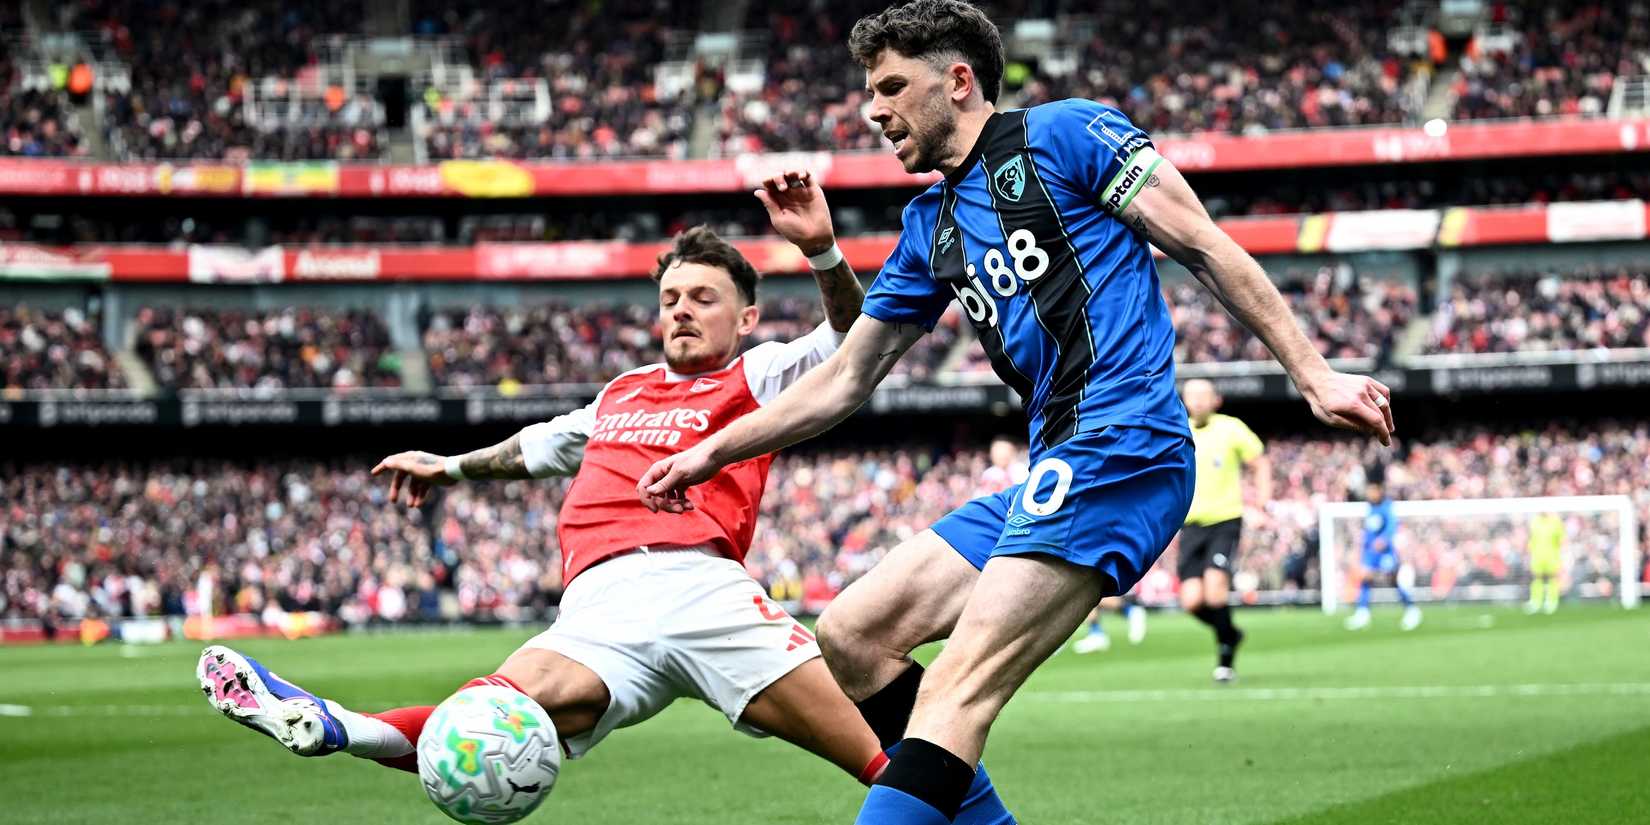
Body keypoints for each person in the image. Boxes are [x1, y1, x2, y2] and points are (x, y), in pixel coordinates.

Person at [636, 2, 1395, 822]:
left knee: (954, 695)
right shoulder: (929, 226)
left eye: (892, 87)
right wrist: (714, 448)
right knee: (852, 635)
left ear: (958, 81)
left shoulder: (1069, 134)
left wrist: (1313, 374)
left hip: (1123, 442)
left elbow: (1203, 243)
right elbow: (845, 378)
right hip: (1056, 463)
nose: (874, 110)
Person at [196, 192, 1013, 823]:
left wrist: (823, 250)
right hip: (596, 606)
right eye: (669, 298)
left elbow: (851, 347)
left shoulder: (760, 371)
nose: (680, 310)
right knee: (476, 723)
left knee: (883, 756)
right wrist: (447, 467)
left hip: (703, 590)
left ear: (747, 316)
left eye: (701, 296)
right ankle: (337, 725)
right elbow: (528, 449)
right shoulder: (617, 395)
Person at [1173, 378, 1270, 682]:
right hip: (1190, 524)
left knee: (1215, 591)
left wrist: (1262, 503)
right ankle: (1230, 632)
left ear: (1216, 399)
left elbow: (1260, 462)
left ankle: (1225, 661)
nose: (1198, 401)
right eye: (1191, 396)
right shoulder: (1178, 429)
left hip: (1225, 520)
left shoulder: (1231, 428)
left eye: (1203, 395)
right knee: (1191, 601)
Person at [1345, 478, 1422, 631]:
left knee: (1392, 580)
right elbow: (1369, 529)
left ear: (1379, 491)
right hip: (1370, 552)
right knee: (1365, 579)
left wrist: (1384, 540)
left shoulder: (1387, 507)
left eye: (1372, 491)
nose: (1370, 494)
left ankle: (1411, 609)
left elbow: (1392, 526)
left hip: (1385, 551)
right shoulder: (1370, 508)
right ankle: (1363, 613)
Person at [1526, 512, 1565, 614]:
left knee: (1552, 578)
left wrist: (1560, 554)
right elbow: (1531, 539)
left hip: (1552, 556)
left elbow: (1561, 540)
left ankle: (1551, 601)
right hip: (1537, 556)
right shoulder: (1534, 521)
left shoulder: (1555, 522)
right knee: (1536, 578)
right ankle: (1536, 601)